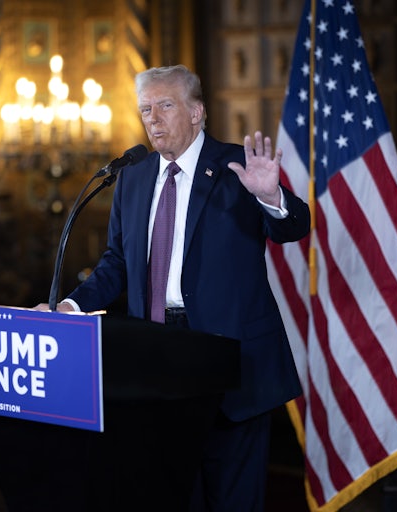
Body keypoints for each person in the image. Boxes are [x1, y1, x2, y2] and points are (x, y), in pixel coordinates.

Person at [36, 64, 310, 511]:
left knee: (235, 500)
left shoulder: (236, 167)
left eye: (165, 105)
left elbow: (294, 228)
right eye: (146, 109)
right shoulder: (133, 176)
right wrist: (68, 306)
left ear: (197, 112)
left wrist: (271, 197)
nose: (153, 119)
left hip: (232, 362)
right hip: (160, 364)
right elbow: (116, 264)